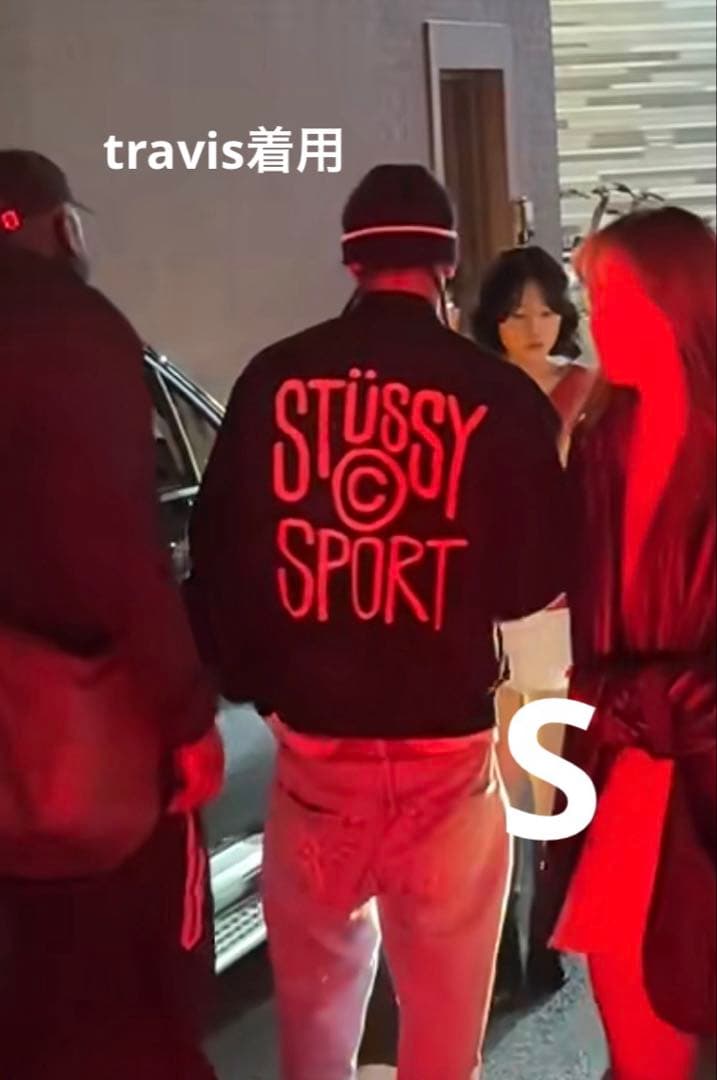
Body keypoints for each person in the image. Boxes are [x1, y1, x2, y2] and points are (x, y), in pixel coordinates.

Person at [187, 163, 568, 1080]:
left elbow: (218, 558)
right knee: (442, 1035)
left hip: (317, 754)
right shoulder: (493, 394)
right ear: (448, 265)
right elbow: (535, 580)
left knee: (317, 1032)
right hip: (445, 755)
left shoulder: (274, 379)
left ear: (351, 261)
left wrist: (260, 691)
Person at [0, 150, 222, 1080]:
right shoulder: (75, 331)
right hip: (84, 752)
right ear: (63, 226)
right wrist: (187, 718)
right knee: (133, 1008)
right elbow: (120, 550)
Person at [548, 207, 716, 1080]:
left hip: (688, 767)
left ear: (676, 301)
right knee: (638, 1032)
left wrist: (636, 701)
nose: (595, 319)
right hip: (629, 770)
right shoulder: (604, 440)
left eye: (614, 297)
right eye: (591, 297)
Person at [471, 245, 594, 1003]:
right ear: (494, 320)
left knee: (547, 786)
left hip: (557, 608)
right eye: (517, 314)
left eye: (546, 310)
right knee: (494, 790)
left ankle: (540, 939)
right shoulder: (473, 388)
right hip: (486, 607)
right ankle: (503, 944)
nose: (533, 326)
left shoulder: (583, 391)